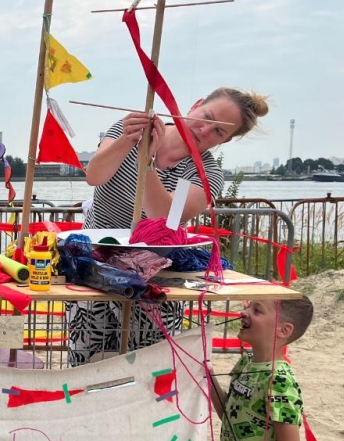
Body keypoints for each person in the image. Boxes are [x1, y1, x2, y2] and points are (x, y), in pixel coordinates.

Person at [68, 87, 270, 366]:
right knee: (87, 362)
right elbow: (94, 175)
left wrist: (147, 162)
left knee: (146, 367)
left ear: (225, 141)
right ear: (195, 104)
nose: (205, 130)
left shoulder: (205, 174)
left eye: (218, 132)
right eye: (206, 116)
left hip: (153, 277)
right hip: (92, 266)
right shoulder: (133, 130)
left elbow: (163, 216)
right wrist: (128, 141)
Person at [208, 297, 344, 441]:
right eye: (247, 306)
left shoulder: (279, 381)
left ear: (284, 330)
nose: (244, 312)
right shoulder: (246, 363)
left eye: (257, 310)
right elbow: (230, 416)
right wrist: (208, 373)